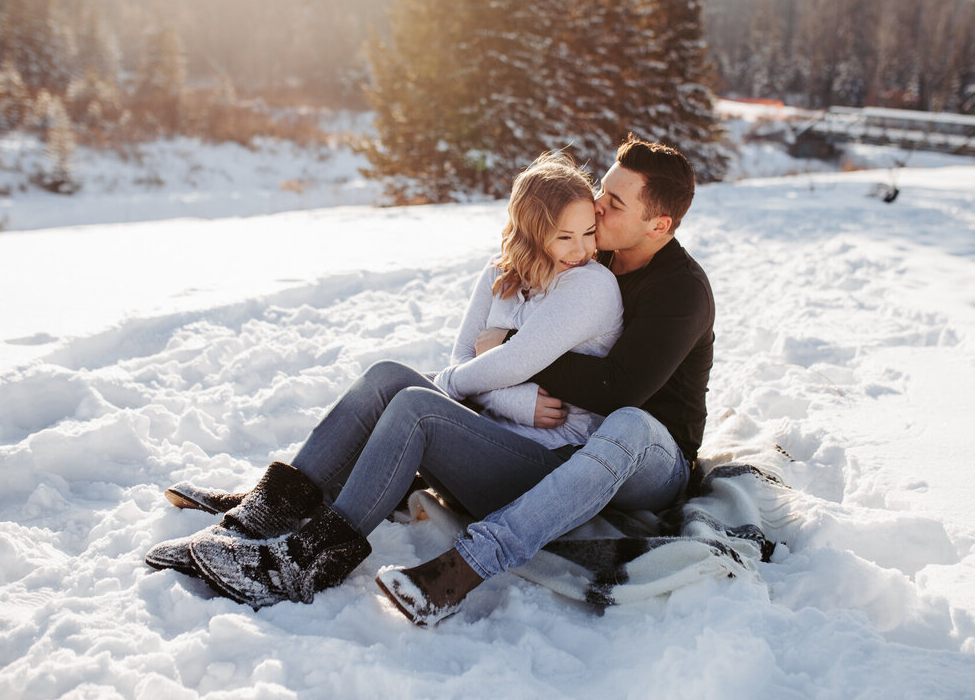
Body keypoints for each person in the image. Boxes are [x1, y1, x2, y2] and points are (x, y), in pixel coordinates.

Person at [144, 152, 625, 608]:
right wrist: (512, 400)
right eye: (566, 237)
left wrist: (465, 387)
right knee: (386, 376)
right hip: (490, 439)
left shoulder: (590, 285)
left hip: (544, 470)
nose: (584, 250)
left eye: (589, 233)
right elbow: (463, 357)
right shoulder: (500, 274)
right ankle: (259, 519)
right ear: (533, 233)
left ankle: (306, 561)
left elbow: (513, 361)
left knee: (417, 405)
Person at [376, 134, 714, 626]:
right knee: (412, 387)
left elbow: (616, 391)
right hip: (568, 437)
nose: (595, 207)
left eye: (615, 203)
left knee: (628, 422)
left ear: (658, 224)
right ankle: (307, 489)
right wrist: (505, 371)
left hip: (653, 461)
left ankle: (471, 564)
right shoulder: (590, 253)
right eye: (602, 189)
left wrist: (515, 345)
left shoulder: (681, 291)